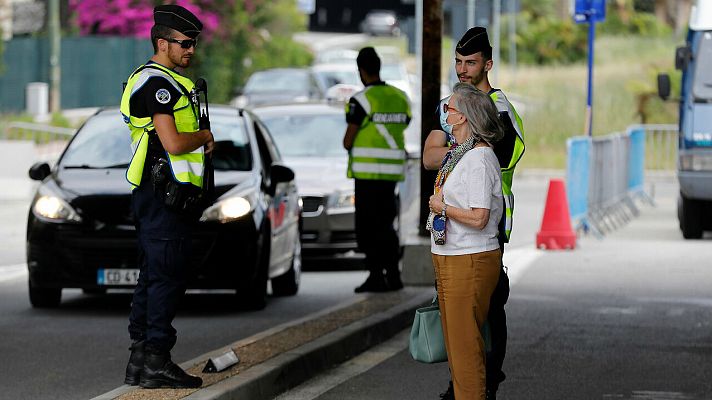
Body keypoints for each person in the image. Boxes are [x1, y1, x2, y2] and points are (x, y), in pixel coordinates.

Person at [423, 27, 525, 400]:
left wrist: (457, 147)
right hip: (452, 238)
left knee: (487, 319)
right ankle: (463, 386)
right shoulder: (454, 106)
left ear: (488, 64)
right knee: (459, 328)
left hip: (484, 234)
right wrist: (456, 144)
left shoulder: (497, 109)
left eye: (471, 62)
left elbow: (490, 158)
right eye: (459, 62)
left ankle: (483, 387)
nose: (463, 70)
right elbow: (428, 156)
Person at [119, 4, 214, 389]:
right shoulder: (157, 83)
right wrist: (205, 137)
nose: (191, 49)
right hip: (163, 197)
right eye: (184, 43)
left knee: (154, 277)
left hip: (163, 196)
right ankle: (156, 359)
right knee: (166, 279)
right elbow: (173, 143)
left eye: (194, 43)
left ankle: (141, 360)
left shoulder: (169, 81)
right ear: (163, 42)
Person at [428, 83, 504, 400]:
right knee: (456, 346)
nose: (445, 113)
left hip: (469, 258)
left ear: (464, 117)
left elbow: (479, 217)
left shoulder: (479, 159)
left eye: (450, 108)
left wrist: (443, 208)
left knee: (465, 347)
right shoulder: (460, 154)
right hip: (451, 254)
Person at [342, 47, 411, 293]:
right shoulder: (400, 97)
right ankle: (393, 275)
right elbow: (406, 122)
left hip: (367, 176)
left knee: (368, 228)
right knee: (386, 225)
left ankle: (375, 276)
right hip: (390, 175)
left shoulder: (360, 100)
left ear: (361, 71)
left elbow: (348, 141)